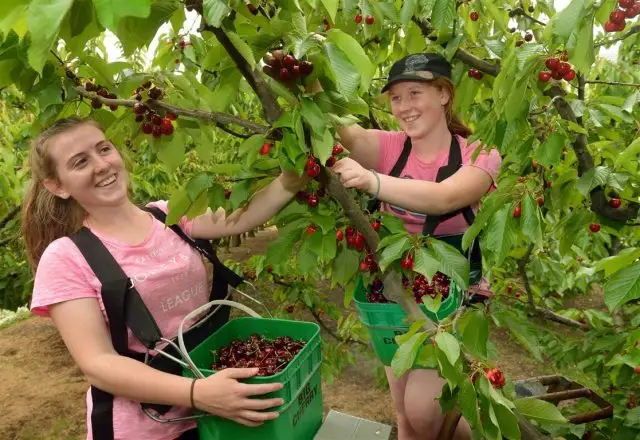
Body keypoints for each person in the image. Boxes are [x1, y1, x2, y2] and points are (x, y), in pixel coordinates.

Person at [22, 117, 309, 440]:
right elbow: (97, 362)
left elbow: (241, 217)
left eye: (104, 149)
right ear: (57, 186)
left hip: (214, 416)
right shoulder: (66, 257)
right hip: (148, 429)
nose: (101, 165)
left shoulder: (168, 216)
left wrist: (292, 179)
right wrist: (196, 392)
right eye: (80, 162)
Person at [328, 53, 502, 440]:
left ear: (444, 94)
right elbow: (347, 133)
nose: (404, 107)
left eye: (415, 93)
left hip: (454, 296)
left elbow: (444, 198)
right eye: (396, 97)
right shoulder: (391, 147)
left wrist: (373, 181)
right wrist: (304, 79)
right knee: (406, 413)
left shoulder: (479, 153)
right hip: (396, 292)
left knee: (426, 413)